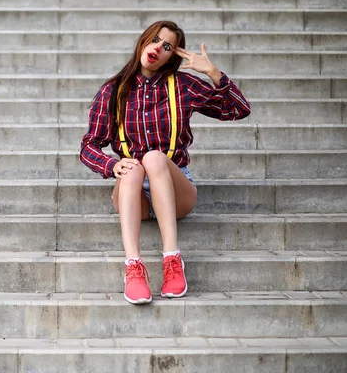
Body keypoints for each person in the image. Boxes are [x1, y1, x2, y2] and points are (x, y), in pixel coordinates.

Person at [80, 20, 251, 304]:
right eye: (156, 40)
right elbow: (88, 146)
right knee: (134, 167)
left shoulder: (183, 86)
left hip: (176, 189)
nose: (158, 48)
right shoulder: (113, 91)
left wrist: (212, 72)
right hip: (134, 194)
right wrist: (111, 165)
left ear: (172, 57)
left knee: (154, 158)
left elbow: (239, 109)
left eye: (167, 46)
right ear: (144, 40)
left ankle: (172, 261)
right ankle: (133, 266)